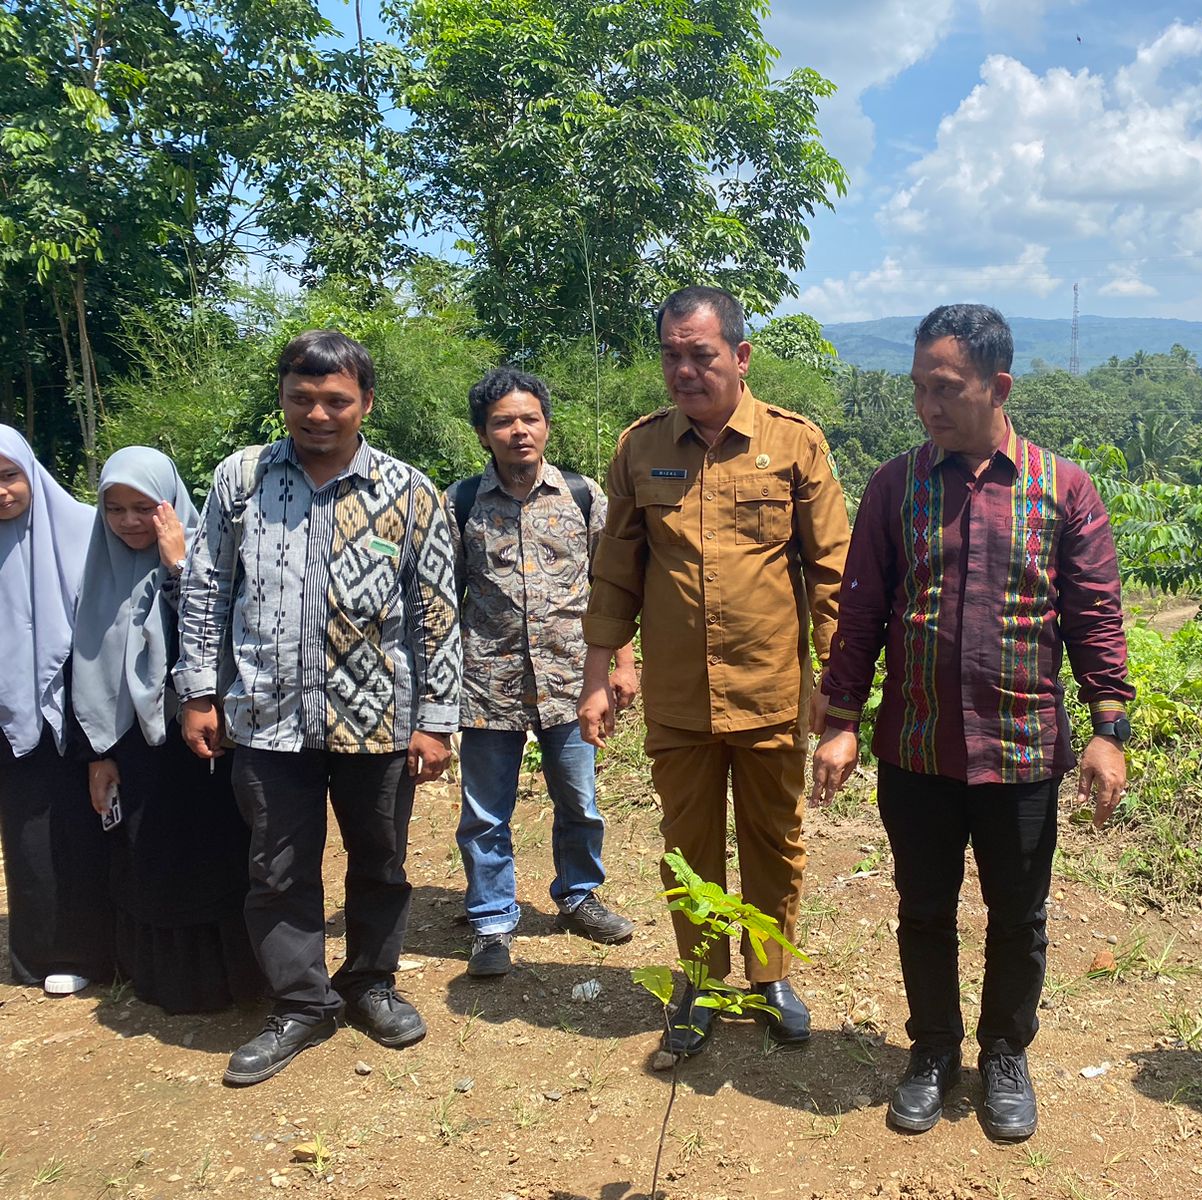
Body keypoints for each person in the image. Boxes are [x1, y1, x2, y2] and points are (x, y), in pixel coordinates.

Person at [811, 304, 1133, 1141]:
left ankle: (1003, 1052)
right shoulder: (896, 486)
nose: (927, 406)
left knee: (1018, 915)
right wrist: (840, 720)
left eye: (945, 389)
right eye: (919, 388)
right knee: (923, 907)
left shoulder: (1061, 489)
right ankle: (931, 1050)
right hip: (917, 748)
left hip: (1023, 750)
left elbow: (1096, 618)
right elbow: (863, 613)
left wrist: (1108, 729)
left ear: (999, 386)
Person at [176, 330, 460, 1086]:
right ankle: (300, 1002)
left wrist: (437, 719)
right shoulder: (239, 479)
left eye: (336, 400)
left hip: (377, 724)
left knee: (381, 860)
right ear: (283, 398)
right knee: (276, 867)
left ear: (365, 402)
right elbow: (207, 587)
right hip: (266, 719)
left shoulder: (409, 489)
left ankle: (370, 982)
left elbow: (435, 613)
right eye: (301, 398)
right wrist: (198, 692)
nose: (318, 414)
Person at [578, 285, 850, 1055]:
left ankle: (770, 978)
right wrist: (598, 676)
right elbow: (616, 575)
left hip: (770, 689)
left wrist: (838, 682)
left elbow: (832, 572)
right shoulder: (641, 448)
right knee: (687, 843)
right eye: (671, 355)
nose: (684, 371)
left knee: (774, 838)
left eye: (700, 355)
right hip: (676, 697)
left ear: (739, 355)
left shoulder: (795, 444)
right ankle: (698, 977)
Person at [447, 367, 638, 977]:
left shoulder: (582, 497)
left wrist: (622, 666)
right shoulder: (460, 503)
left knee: (580, 803)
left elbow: (615, 587)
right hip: (486, 684)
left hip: (571, 683)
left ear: (547, 426)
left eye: (529, 418)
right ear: (483, 433)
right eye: (503, 421)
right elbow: (441, 594)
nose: (518, 431)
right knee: (484, 812)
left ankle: (579, 896)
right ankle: (492, 920)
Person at [72, 447, 262, 1013]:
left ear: (172, 506)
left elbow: (217, 638)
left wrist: (180, 567)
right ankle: (163, 979)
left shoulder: (210, 561)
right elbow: (85, 673)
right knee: (147, 856)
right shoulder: (96, 577)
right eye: (115, 509)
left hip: (202, 737)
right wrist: (98, 754)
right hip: (135, 748)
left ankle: (238, 979)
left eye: (145, 508)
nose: (130, 522)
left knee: (215, 854)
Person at [0, 426, 113, 995]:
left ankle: (99, 948)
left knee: (88, 828)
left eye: (8, 476)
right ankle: (42, 952)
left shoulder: (82, 528)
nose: (1, 492)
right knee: (27, 837)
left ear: (30, 472)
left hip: (80, 701)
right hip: (8, 711)